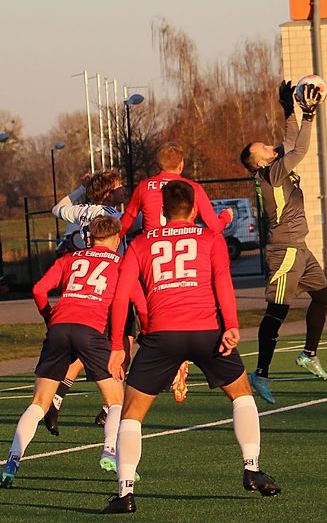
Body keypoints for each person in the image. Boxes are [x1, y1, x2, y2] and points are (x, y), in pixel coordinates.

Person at [101, 181, 279, 514]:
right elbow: (222, 282)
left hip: (161, 337)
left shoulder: (140, 243)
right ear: (195, 209)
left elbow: (120, 297)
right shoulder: (211, 238)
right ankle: (252, 469)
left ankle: (125, 493)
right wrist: (231, 326)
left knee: (131, 414)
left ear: (162, 211)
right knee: (241, 395)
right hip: (206, 332)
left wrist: (116, 346)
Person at [1, 216, 126, 488]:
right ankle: (109, 450)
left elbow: (38, 289)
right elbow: (124, 302)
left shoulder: (70, 258)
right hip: (90, 329)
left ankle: (12, 461)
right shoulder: (120, 262)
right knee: (116, 399)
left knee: (38, 403)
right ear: (116, 239)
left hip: (60, 326)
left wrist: (50, 317)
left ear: (89, 238)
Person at [119, 142, 234, 403]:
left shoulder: (144, 187)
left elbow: (127, 220)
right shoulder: (190, 188)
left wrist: (110, 241)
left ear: (157, 164)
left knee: (151, 319)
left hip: (152, 261)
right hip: (186, 262)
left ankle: (165, 364)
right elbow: (213, 226)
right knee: (189, 312)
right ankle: (180, 362)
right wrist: (226, 217)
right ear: (181, 165)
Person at [238, 80, 327, 405]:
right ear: (260, 162)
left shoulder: (273, 166)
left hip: (299, 247)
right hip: (285, 251)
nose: (270, 146)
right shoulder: (269, 174)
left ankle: (308, 354)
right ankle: (260, 373)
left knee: (324, 295)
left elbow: (289, 142)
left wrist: (289, 110)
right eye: (263, 148)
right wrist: (309, 116)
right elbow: (300, 149)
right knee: (276, 311)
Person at [46, 170, 130, 435]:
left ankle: (57, 396)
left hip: (86, 284)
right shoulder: (115, 216)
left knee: (85, 349)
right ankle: (110, 407)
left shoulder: (81, 211)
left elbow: (57, 208)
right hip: (111, 284)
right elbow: (142, 222)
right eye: (119, 186)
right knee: (123, 342)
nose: (123, 189)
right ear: (108, 194)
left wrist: (82, 190)